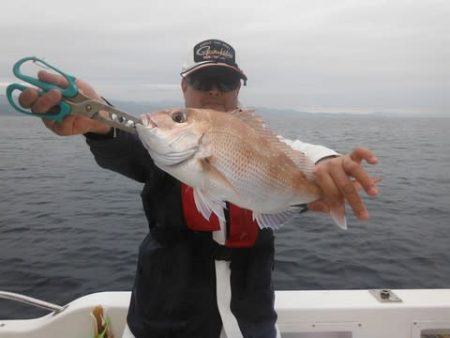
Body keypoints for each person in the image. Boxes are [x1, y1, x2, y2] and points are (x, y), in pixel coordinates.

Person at [18, 39, 378, 338]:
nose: (214, 92)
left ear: (239, 90)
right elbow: (125, 141)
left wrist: (328, 163)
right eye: (203, 82)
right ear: (184, 88)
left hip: (250, 322)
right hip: (164, 320)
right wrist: (98, 122)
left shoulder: (265, 144)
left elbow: (305, 158)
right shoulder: (160, 147)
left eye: (226, 82)